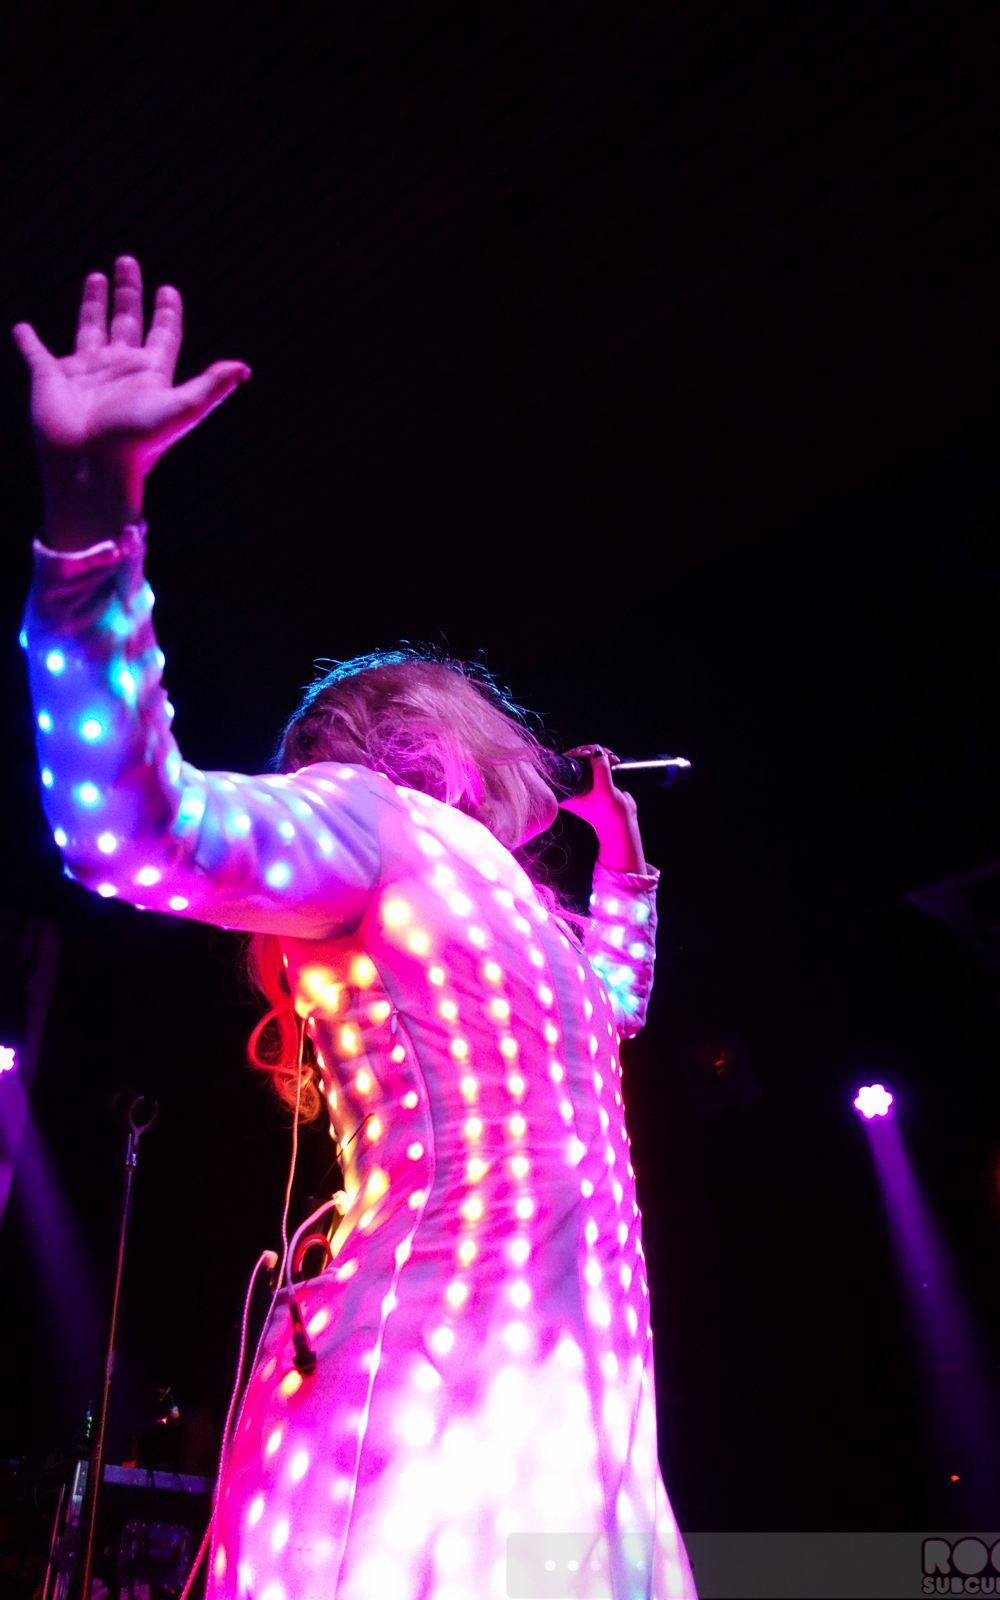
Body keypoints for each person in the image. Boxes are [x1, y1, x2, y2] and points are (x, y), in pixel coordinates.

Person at [15, 259, 696, 1600]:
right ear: (430, 733)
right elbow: (128, 828)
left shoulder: (519, 916)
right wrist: (92, 529)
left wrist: (623, 865)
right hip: (424, 1418)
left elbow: (609, 1010)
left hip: (577, 1419)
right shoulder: (371, 821)